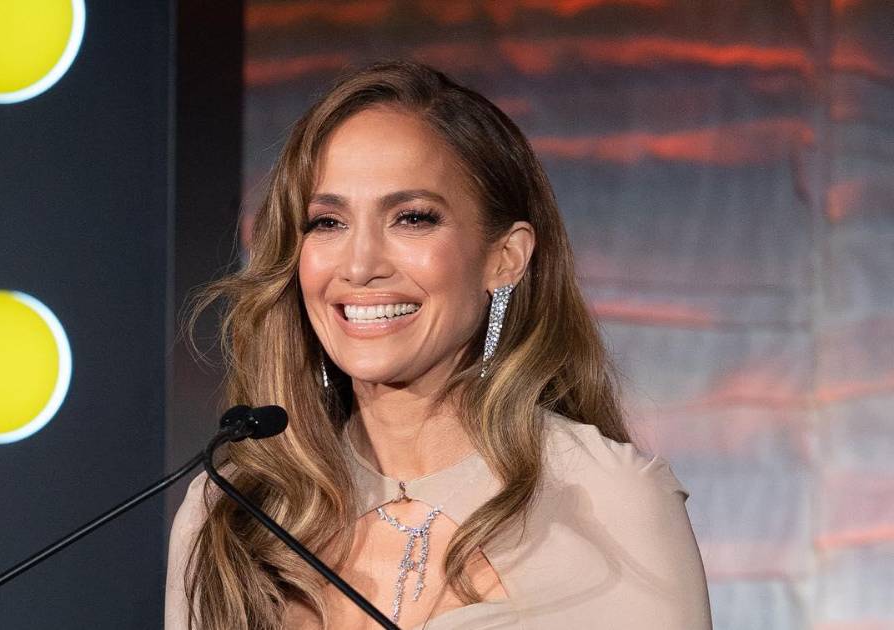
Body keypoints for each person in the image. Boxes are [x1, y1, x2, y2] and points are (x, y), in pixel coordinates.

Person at [165, 60, 712, 629]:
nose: (360, 265)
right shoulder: (229, 514)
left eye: (412, 218)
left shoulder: (607, 503)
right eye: (327, 222)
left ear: (505, 258)